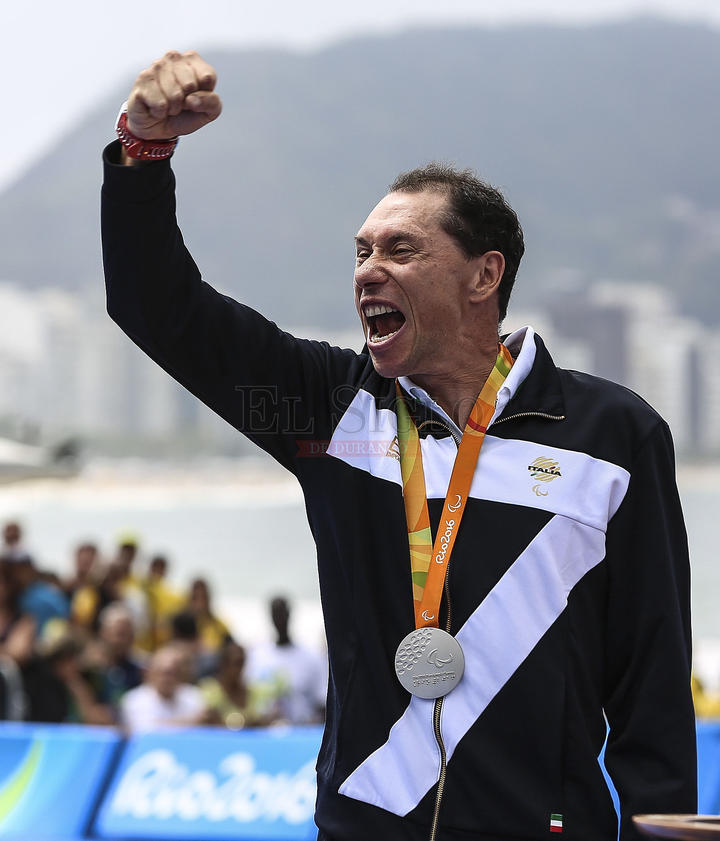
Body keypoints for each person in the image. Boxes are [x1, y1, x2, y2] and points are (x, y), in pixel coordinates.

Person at [101, 50, 696, 841]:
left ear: (485, 275)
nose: (368, 272)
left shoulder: (612, 436)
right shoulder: (331, 411)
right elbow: (159, 307)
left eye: (400, 250)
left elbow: (652, 675)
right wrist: (143, 154)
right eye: (361, 252)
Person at [247, 595, 326, 725]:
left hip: (300, 732)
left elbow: (322, 703)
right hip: (263, 733)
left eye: (282, 614)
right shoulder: (257, 656)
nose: (280, 620)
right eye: (276, 615)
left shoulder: (312, 657)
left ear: (289, 615)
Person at [119, 644, 206, 732]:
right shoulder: (134, 700)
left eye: (174, 673)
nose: (167, 678)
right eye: (164, 673)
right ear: (150, 673)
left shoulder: (194, 696)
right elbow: (147, 729)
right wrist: (194, 722)